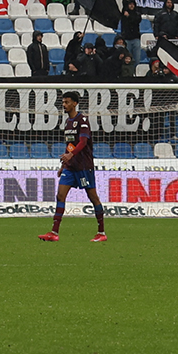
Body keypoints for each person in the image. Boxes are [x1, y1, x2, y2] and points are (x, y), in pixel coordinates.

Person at [37, 89, 106, 243]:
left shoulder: (82, 121)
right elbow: (70, 144)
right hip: (71, 167)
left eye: (67, 102)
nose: (64, 105)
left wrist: (71, 155)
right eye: (63, 102)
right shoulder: (68, 123)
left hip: (83, 166)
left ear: (75, 103)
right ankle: (54, 232)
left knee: (93, 197)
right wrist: (65, 163)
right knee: (60, 195)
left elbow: (82, 142)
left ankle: (101, 232)